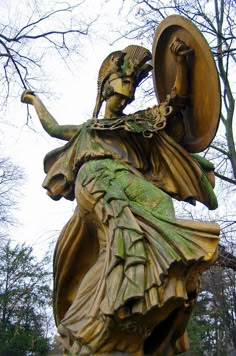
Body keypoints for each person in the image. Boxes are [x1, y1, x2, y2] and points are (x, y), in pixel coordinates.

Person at [21, 41, 220, 355]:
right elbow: (54, 128)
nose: (126, 94)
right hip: (96, 177)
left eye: (130, 89)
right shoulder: (89, 129)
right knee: (121, 224)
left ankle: (154, 280)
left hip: (127, 176)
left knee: (162, 206)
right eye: (122, 86)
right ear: (105, 89)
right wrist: (34, 100)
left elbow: (176, 101)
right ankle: (104, 306)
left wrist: (182, 63)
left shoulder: (137, 123)